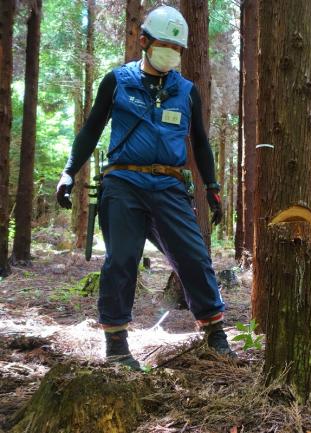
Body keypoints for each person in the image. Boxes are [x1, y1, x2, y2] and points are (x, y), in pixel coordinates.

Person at [55, 6, 234, 369]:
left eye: (177, 47)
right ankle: (117, 344)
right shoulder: (117, 81)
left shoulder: (186, 91)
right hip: (123, 182)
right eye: (165, 44)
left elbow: (199, 143)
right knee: (121, 260)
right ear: (145, 41)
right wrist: (69, 172)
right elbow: (91, 129)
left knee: (194, 257)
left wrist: (213, 186)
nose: (171, 52)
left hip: (169, 184)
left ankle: (215, 333)